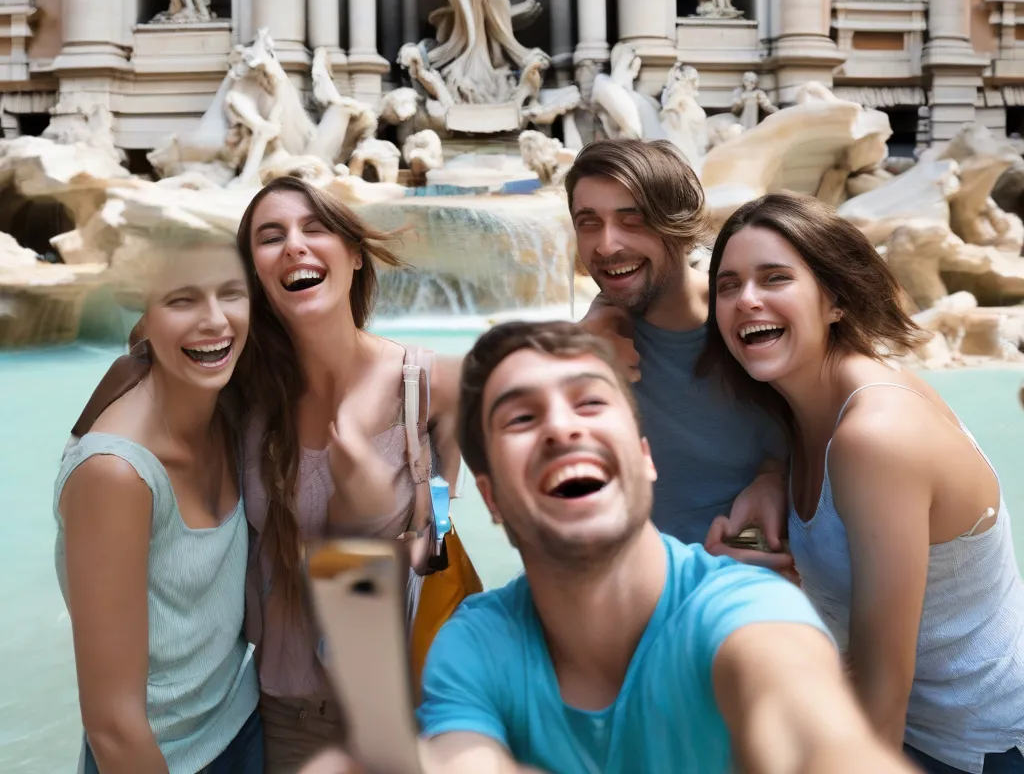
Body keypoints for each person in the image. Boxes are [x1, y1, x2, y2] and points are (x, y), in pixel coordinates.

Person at [416, 320, 914, 774]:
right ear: (491, 497)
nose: (562, 429)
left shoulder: (748, 611)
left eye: (589, 402)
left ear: (644, 457)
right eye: (522, 418)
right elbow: (462, 757)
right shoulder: (474, 643)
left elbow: (810, 731)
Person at [701, 192, 1024, 773]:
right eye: (728, 285)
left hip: (976, 748)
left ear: (835, 301)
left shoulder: (874, 436)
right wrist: (747, 531)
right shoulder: (802, 412)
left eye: (774, 278)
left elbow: (882, 691)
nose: (747, 300)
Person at [235, 174, 462, 774]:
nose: (294, 247)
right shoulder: (242, 395)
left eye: (315, 229)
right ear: (254, 273)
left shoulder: (433, 384)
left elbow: (473, 521)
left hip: (410, 704)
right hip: (289, 711)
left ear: (355, 255)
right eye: (271, 236)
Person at [54, 237, 261, 773]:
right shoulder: (116, 474)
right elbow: (113, 725)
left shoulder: (227, 402)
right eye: (183, 300)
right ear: (143, 317)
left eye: (230, 294)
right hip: (161, 757)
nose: (214, 320)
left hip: (243, 721)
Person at [566, 138, 790, 568]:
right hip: (629, 598)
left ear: (678, 224)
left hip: (747, 591)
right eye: (588, 222)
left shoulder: (755, 321)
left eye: (632, 220)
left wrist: (774, 476)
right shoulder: (585, 353)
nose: (607, 245)